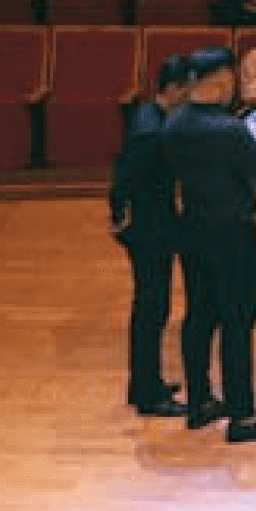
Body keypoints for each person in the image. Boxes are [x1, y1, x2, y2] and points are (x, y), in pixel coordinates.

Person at [163, 47, 256, 443]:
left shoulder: (175, 123)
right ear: (220, 80)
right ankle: (243, 415)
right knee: (238, 320)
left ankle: (200, 400)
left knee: (199, 314)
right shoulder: (229, 129)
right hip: (233, 232)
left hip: (193, 226)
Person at [107, 54, 191, 417]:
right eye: (186, 91)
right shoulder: (151, 131)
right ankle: (147, 394)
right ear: (172, 89)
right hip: (149, 229)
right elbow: (126, 178)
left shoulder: (150, 117)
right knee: (151, 309)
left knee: (152, 309)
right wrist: (119, 217)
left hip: (152, 224)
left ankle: (146, 382)